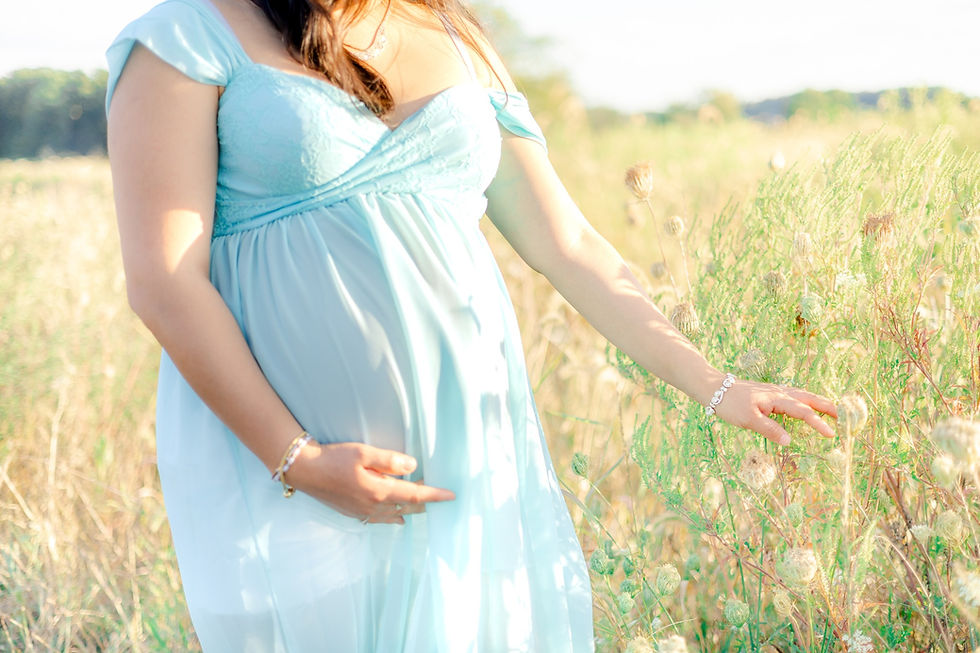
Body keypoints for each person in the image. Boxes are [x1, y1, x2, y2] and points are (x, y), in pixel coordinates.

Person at [105, 0, 837, 650]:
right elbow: (166, 285)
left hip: (474, 452)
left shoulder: (451, 30)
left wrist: (718, 384)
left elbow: (567, 243)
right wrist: (299, 461)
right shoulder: (182, 39)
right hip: (295, 468)